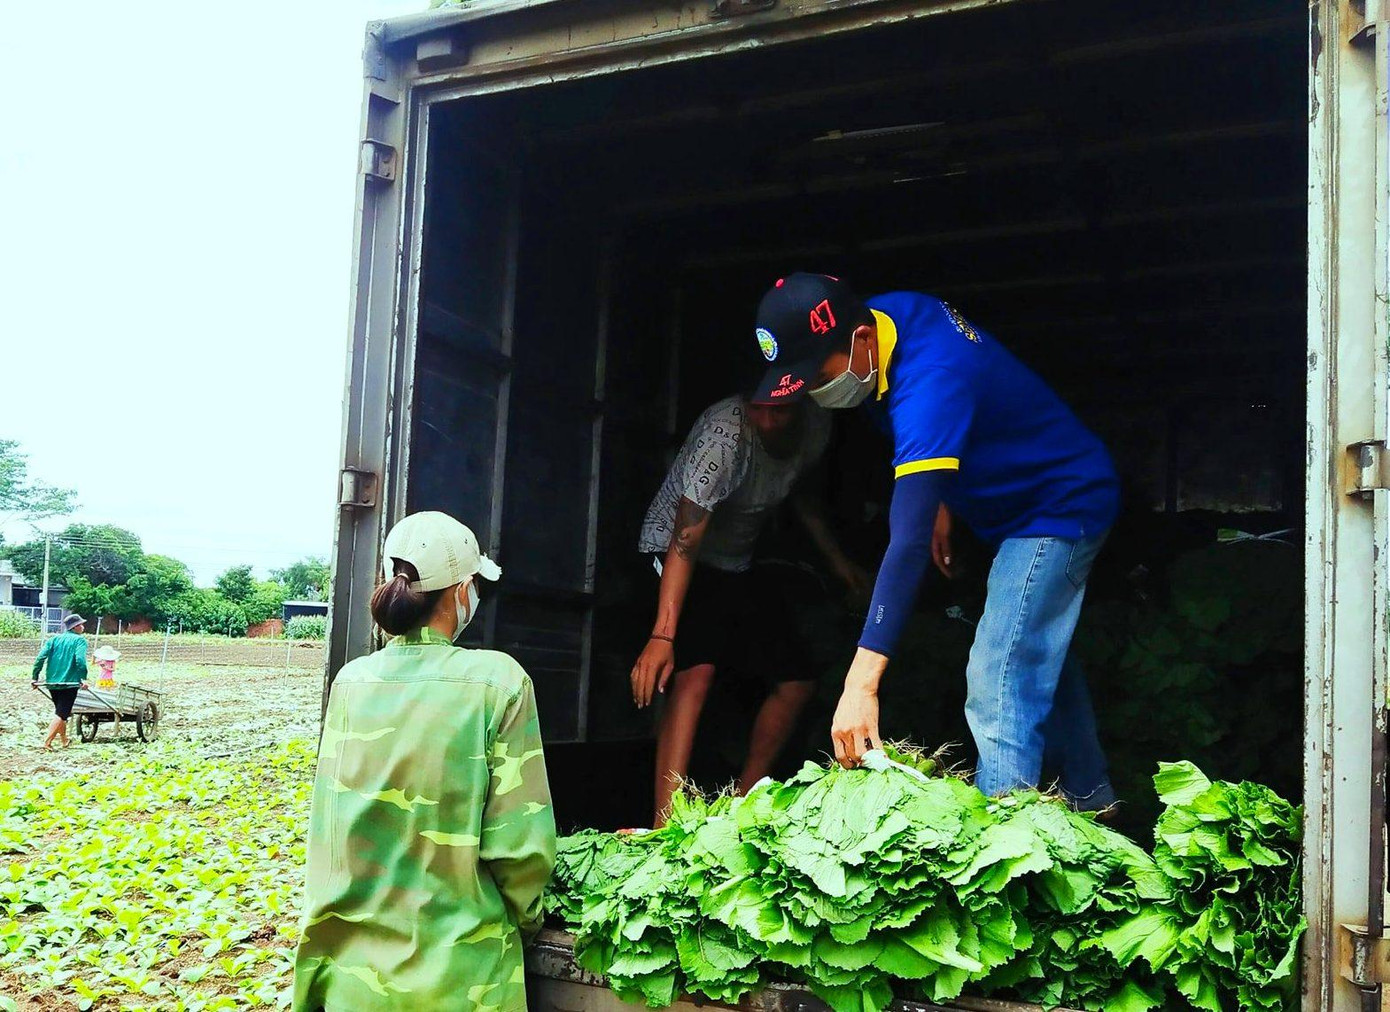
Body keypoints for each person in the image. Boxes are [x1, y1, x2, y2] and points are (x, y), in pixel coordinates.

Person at [748, 273, 1120, 810]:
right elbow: (948, 426)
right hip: (1015, 500)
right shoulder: (891, 316)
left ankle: (1005, 839)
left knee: (998, 673)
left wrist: (860, 684)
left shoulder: (932, 379)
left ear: (860, 339)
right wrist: (940, 495)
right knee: (1034, 651)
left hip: (1059, 504)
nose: (813, 392)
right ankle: (1092, 797)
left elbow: (907, 544)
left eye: (817, 375)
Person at [294, 511, 556, 1012]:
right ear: (461, 592)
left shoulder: (351, 682)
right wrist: (529, 920)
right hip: (461, 984)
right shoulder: (499, 682)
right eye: (475, 585)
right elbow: (520, 853)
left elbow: (332, 834)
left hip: (352, 984)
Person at [632, 392, 869, 827]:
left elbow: (798, 491)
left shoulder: (817, 423)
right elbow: (685, 539)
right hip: (674, 551)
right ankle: (664, 828)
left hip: (736, 563)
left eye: (780, 410)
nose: (768, 421)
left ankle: (743, 807)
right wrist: (662, 636)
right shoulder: (724, 438)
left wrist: (840, 565)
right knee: (696, 671)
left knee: (796, 678)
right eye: (759, 408)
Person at [31, 613, 89, 750]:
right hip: (69, 683)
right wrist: (83, 678)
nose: (83, 627)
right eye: (81, 624)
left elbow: (40, 658)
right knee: (61, 713)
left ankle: (64, 740)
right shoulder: (80, 640)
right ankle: (47, 742)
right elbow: (80, 660)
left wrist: (35, 676)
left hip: (52, 683)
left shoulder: (53, 639)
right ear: (75, 627)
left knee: (61, 712)